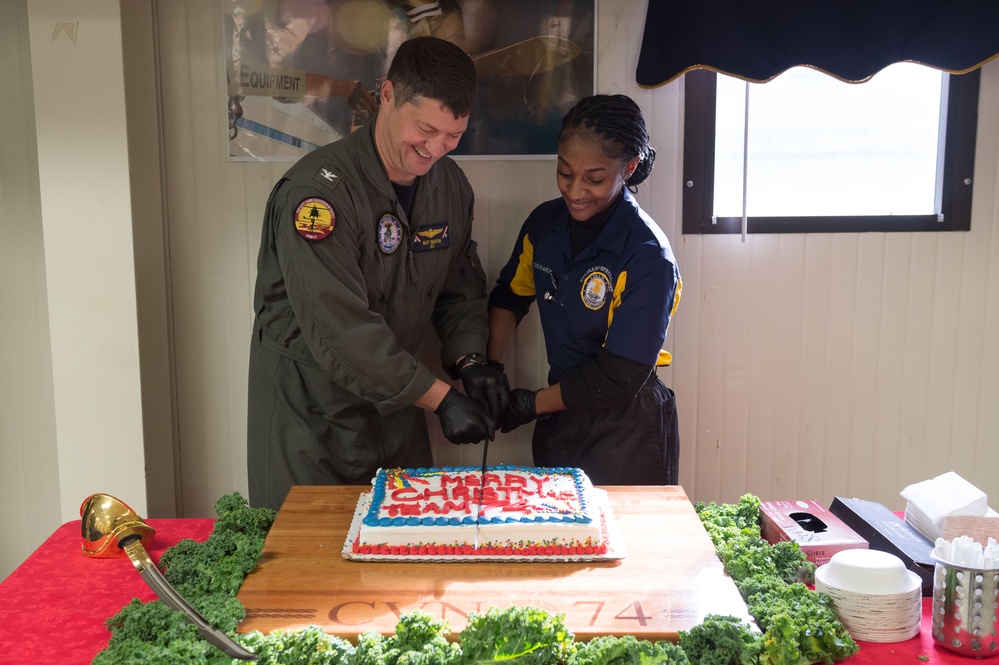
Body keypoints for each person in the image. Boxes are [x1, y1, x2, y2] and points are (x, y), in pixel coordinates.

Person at [247, 36, 510, 510]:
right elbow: (339, 326)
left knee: (406, 553)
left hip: (399, 410)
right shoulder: (318, 197)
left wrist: (471, 359)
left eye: (453, 136)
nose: (436, 149)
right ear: (387, 96)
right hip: (313, 414)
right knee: (308, 567)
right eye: (425, 129)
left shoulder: (449, 186)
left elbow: (459, 289)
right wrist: (442, 400)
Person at [487, 94, 682, 486]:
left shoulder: (647, 255)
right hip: (560, 420)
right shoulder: (544, 225)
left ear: (628, 167)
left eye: (594, 179)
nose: (575, 191)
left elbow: (619, 374)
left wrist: (528, 405)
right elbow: (509, 297)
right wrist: (490, 370)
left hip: (628, 428)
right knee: (557, 540)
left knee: (625, 545)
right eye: (564, 173)